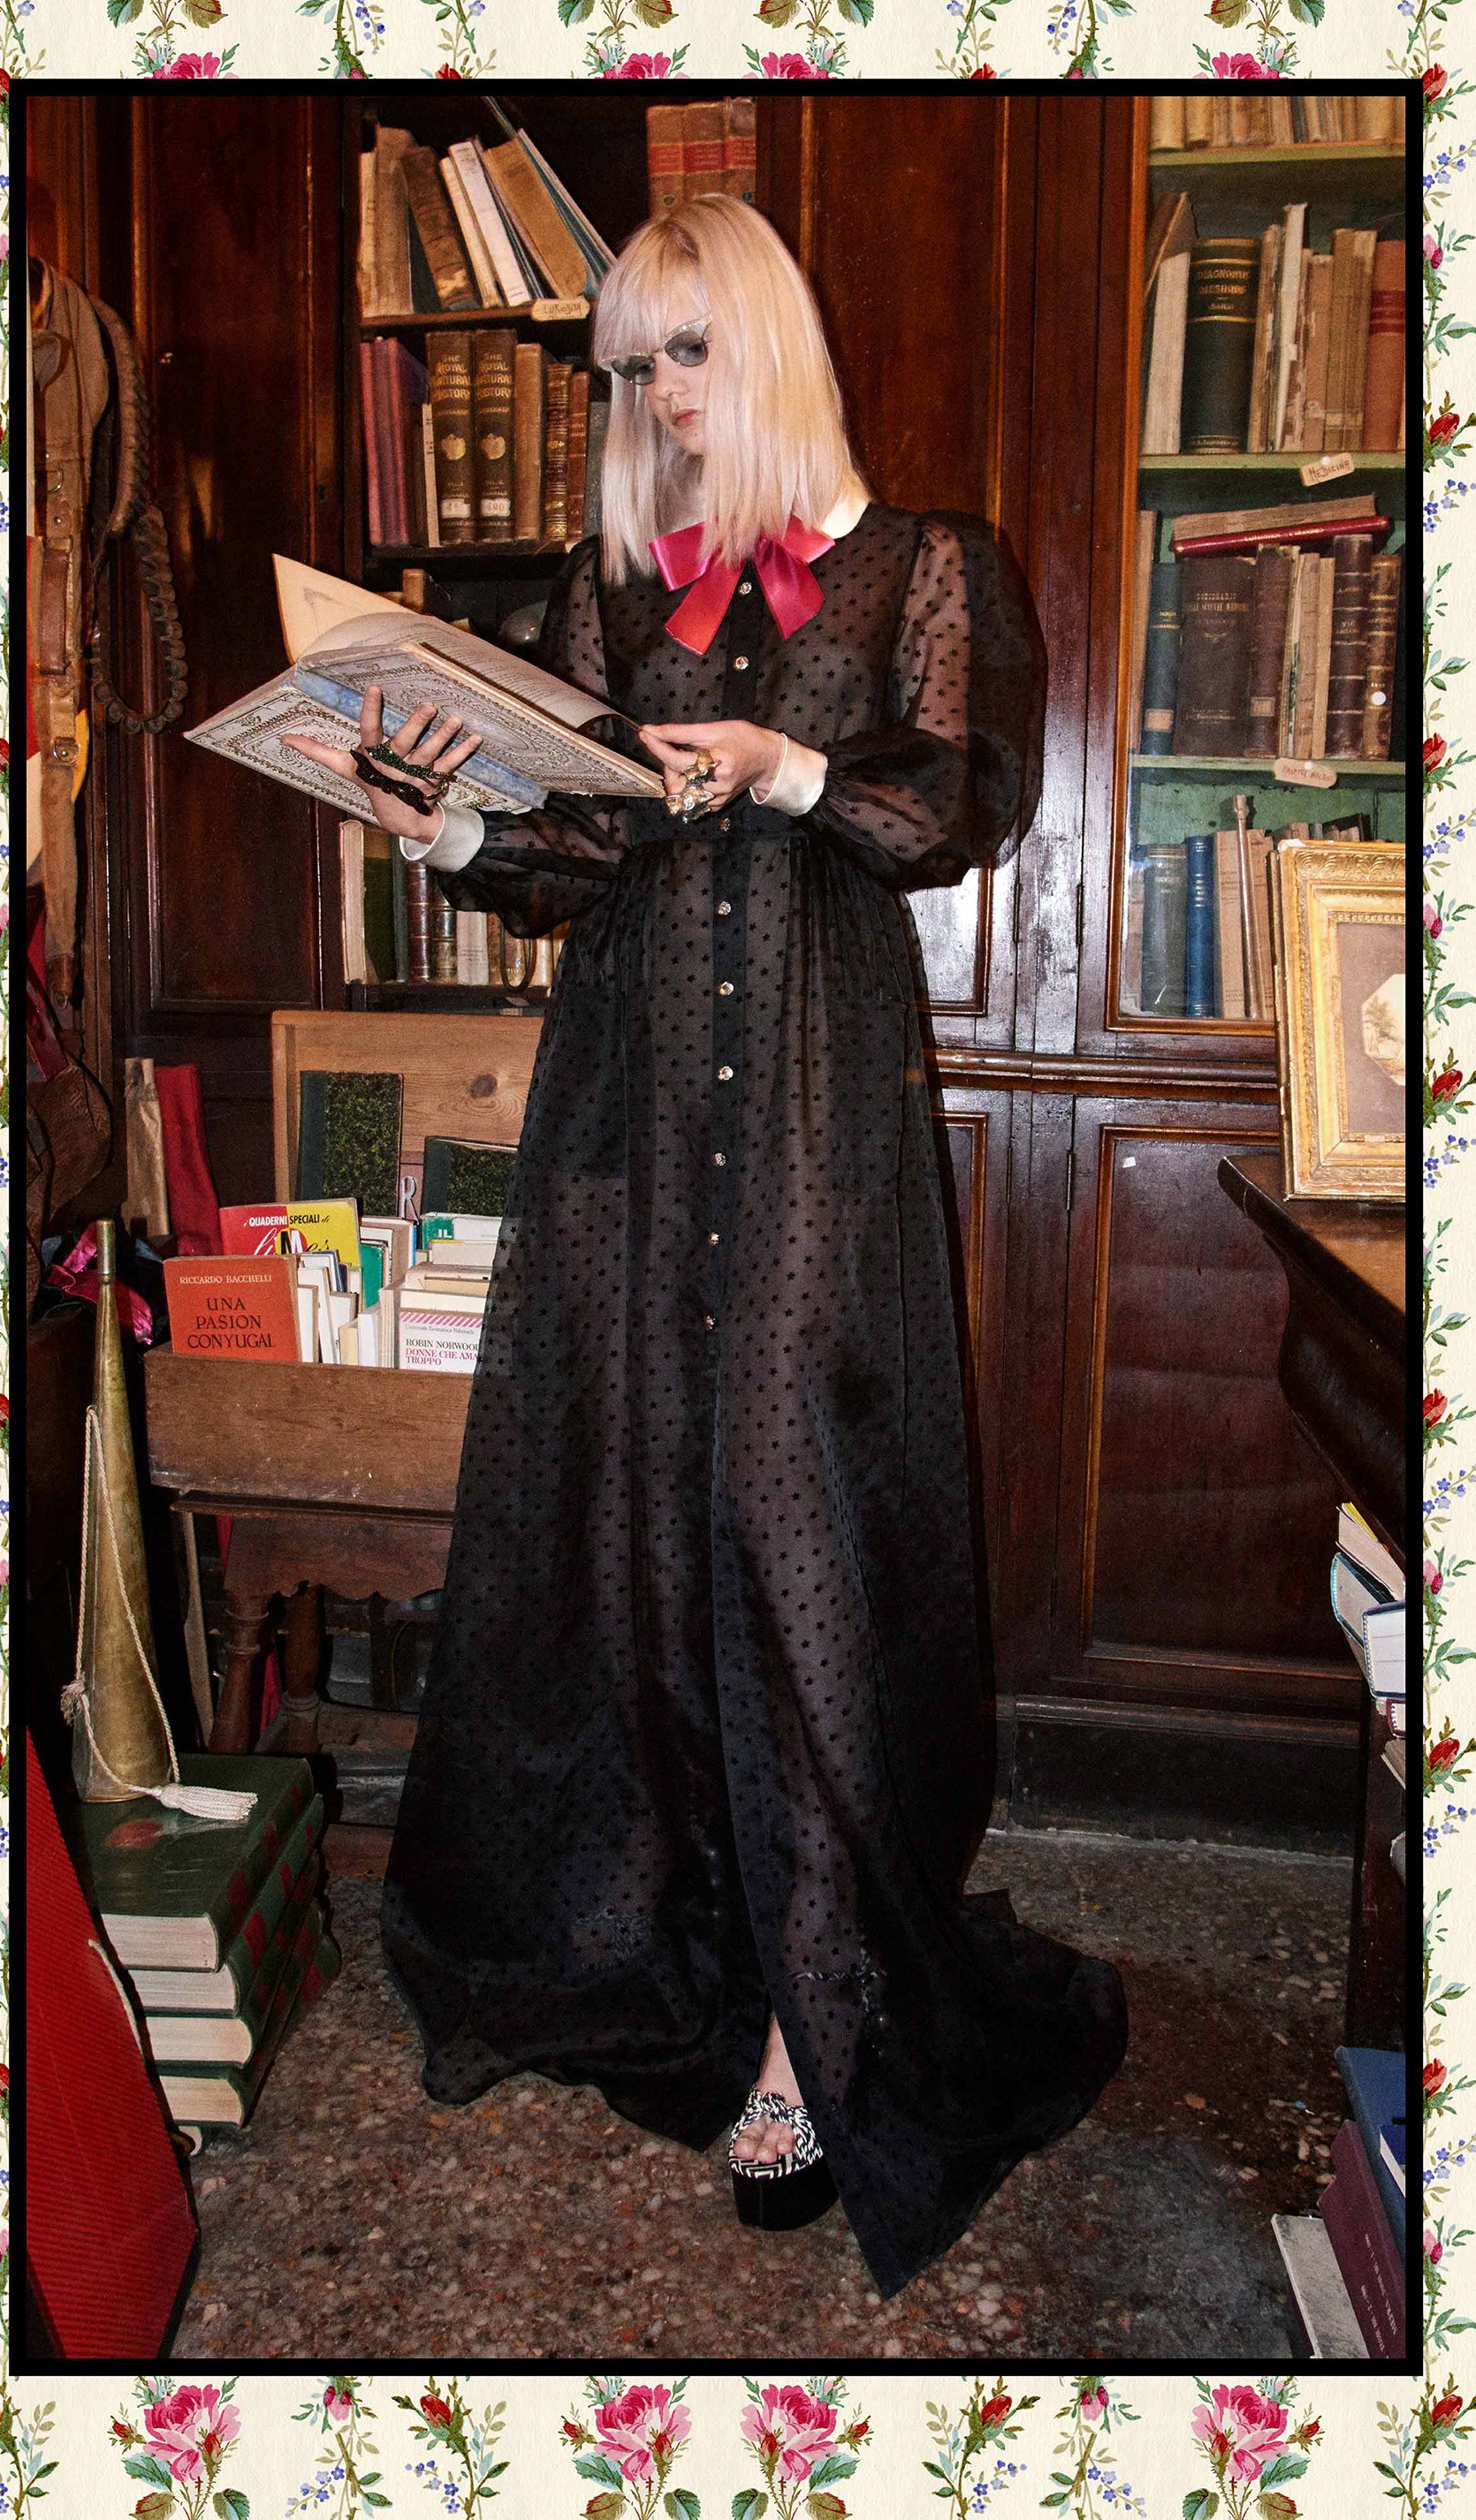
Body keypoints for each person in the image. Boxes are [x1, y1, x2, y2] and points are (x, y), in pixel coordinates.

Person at [282, 194, 1127, 2300]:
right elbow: (570, 850)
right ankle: (681, 1939)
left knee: (802, 1532)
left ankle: (810, 2019)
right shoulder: (604, 586)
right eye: (624, 366)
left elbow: (965, 802)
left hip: (821, 1121)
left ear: (761, 342)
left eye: (682, 352)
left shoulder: (926, 562)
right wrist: (443, 816)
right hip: (629, 1114)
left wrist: (788, 765)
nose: (654, 397)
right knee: (640, 1529)